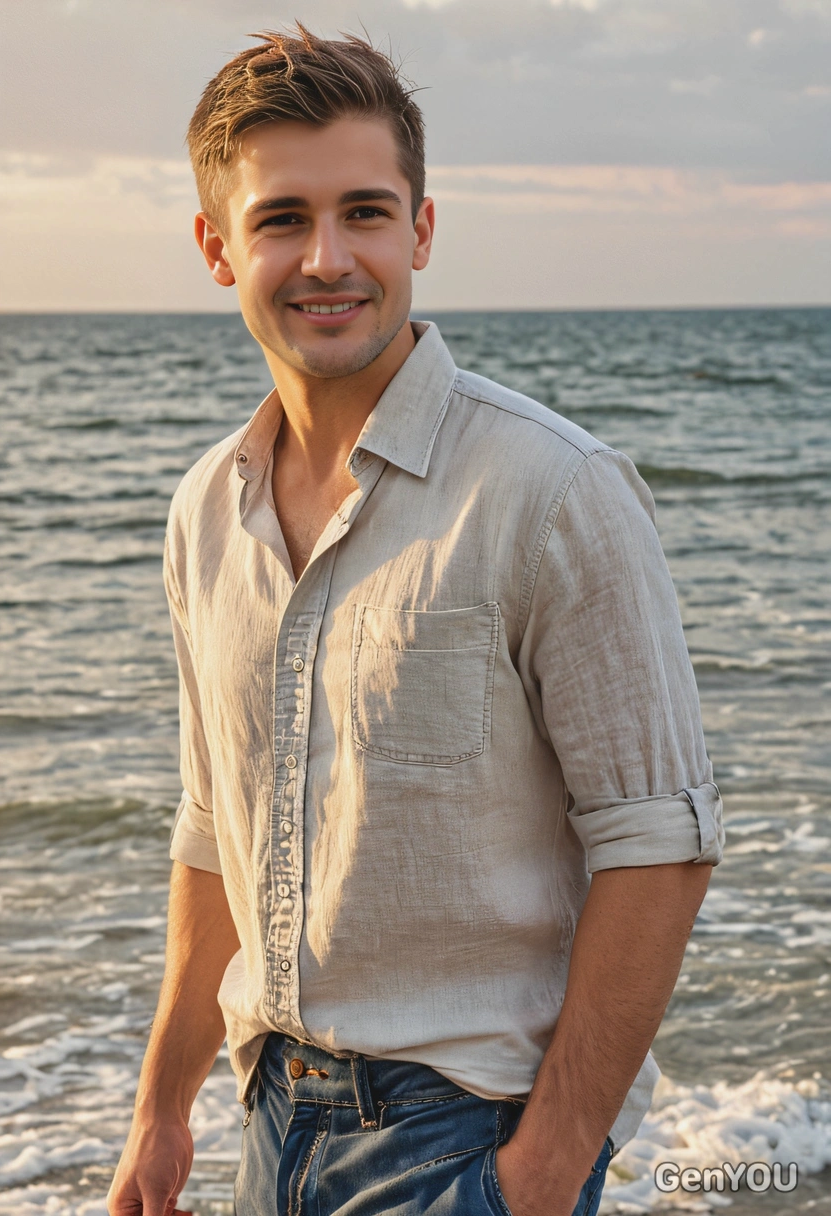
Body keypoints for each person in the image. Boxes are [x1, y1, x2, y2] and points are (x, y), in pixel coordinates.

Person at [107, 24, 724, 1216]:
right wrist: (159, 1109)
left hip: (463, 1140)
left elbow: (660, 847)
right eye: (281, 218)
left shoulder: (552, 489)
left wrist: (540, 1176)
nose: (327, 257)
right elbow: (213, 830)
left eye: (367, 212)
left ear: (422, 231)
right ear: (214, 246)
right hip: (266, 1117)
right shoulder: (206, 510)